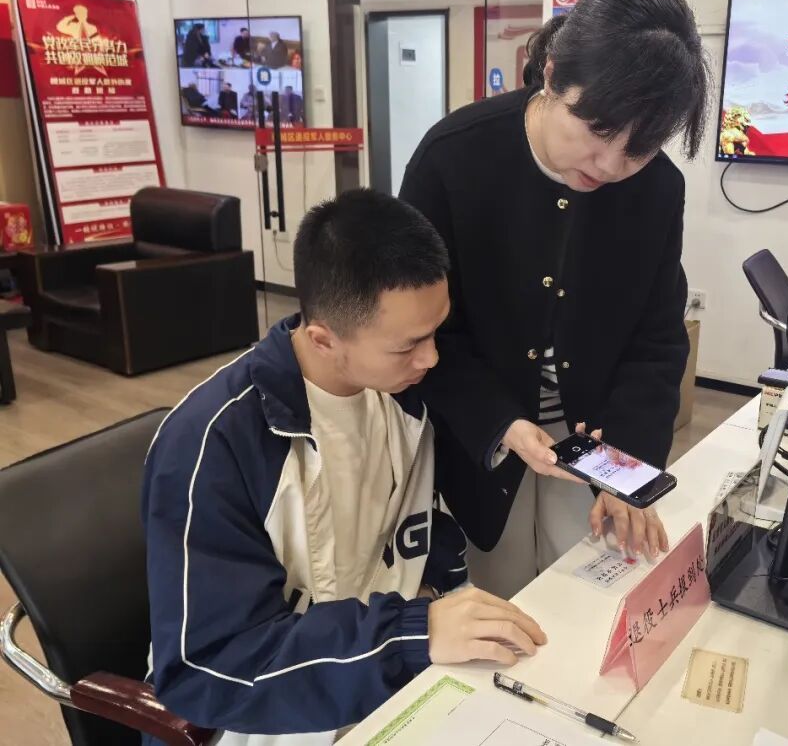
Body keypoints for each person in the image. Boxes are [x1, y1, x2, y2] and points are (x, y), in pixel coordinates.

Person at [142, 190, 546, 745]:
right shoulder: (215, 444)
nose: (432, 357)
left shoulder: (405, 391)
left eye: (437, 331)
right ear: (323, 339)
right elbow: (207, 669)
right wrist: (408, 636)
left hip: (396, 684)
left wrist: (433, 605)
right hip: (272, 722)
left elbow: (424, 533)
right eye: (409, 345)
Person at [400, 0, 710, 599]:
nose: (610, 165)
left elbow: (656, 339)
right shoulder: (454, 158)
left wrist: (629, 468)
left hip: (595, 442)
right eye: (597, 129)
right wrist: (502, 424)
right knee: (500, 595)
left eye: (641, 147)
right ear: (550, 74)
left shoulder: (657, 189)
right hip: (482, 435)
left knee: (591, 596)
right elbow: (423, 332)